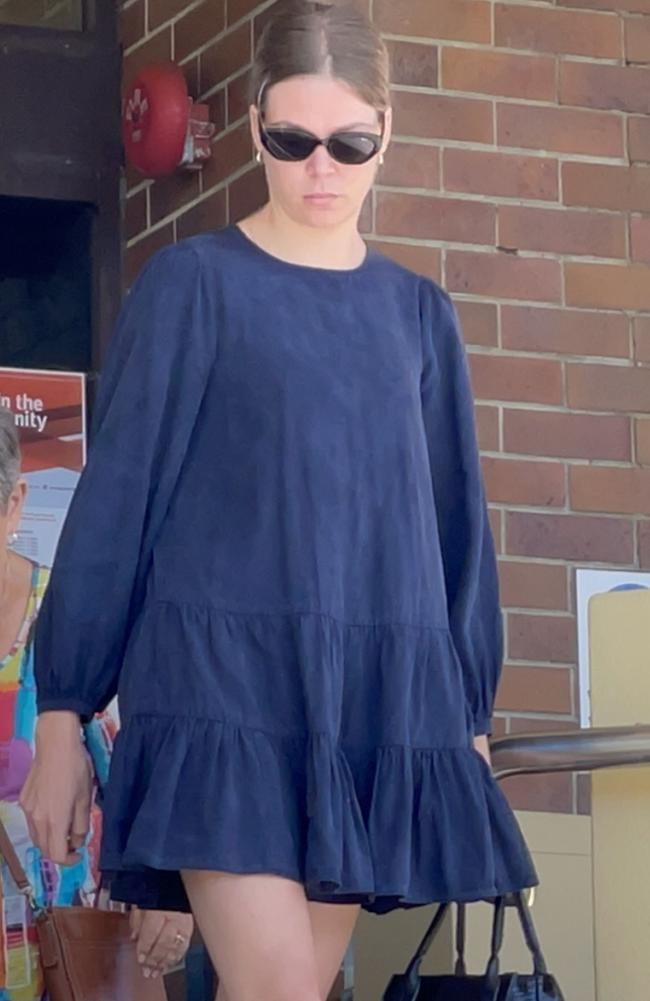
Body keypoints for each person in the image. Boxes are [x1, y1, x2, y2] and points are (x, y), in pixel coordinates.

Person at [21, 2, 538, 999]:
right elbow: (118, 503)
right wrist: (62, 712)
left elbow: (450, 527)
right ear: (254, 123)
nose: (319, 169)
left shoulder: (417, 320)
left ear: (386, 131)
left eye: (348, 143)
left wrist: (465, 706)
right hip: (220, 690)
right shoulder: (191, 288)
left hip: (362, 701)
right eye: (291, 139)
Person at [0, 405, 192, 999]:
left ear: (14, 502)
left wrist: (171, 890)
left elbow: (148, 765)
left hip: (70, 955)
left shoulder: (74, 623)